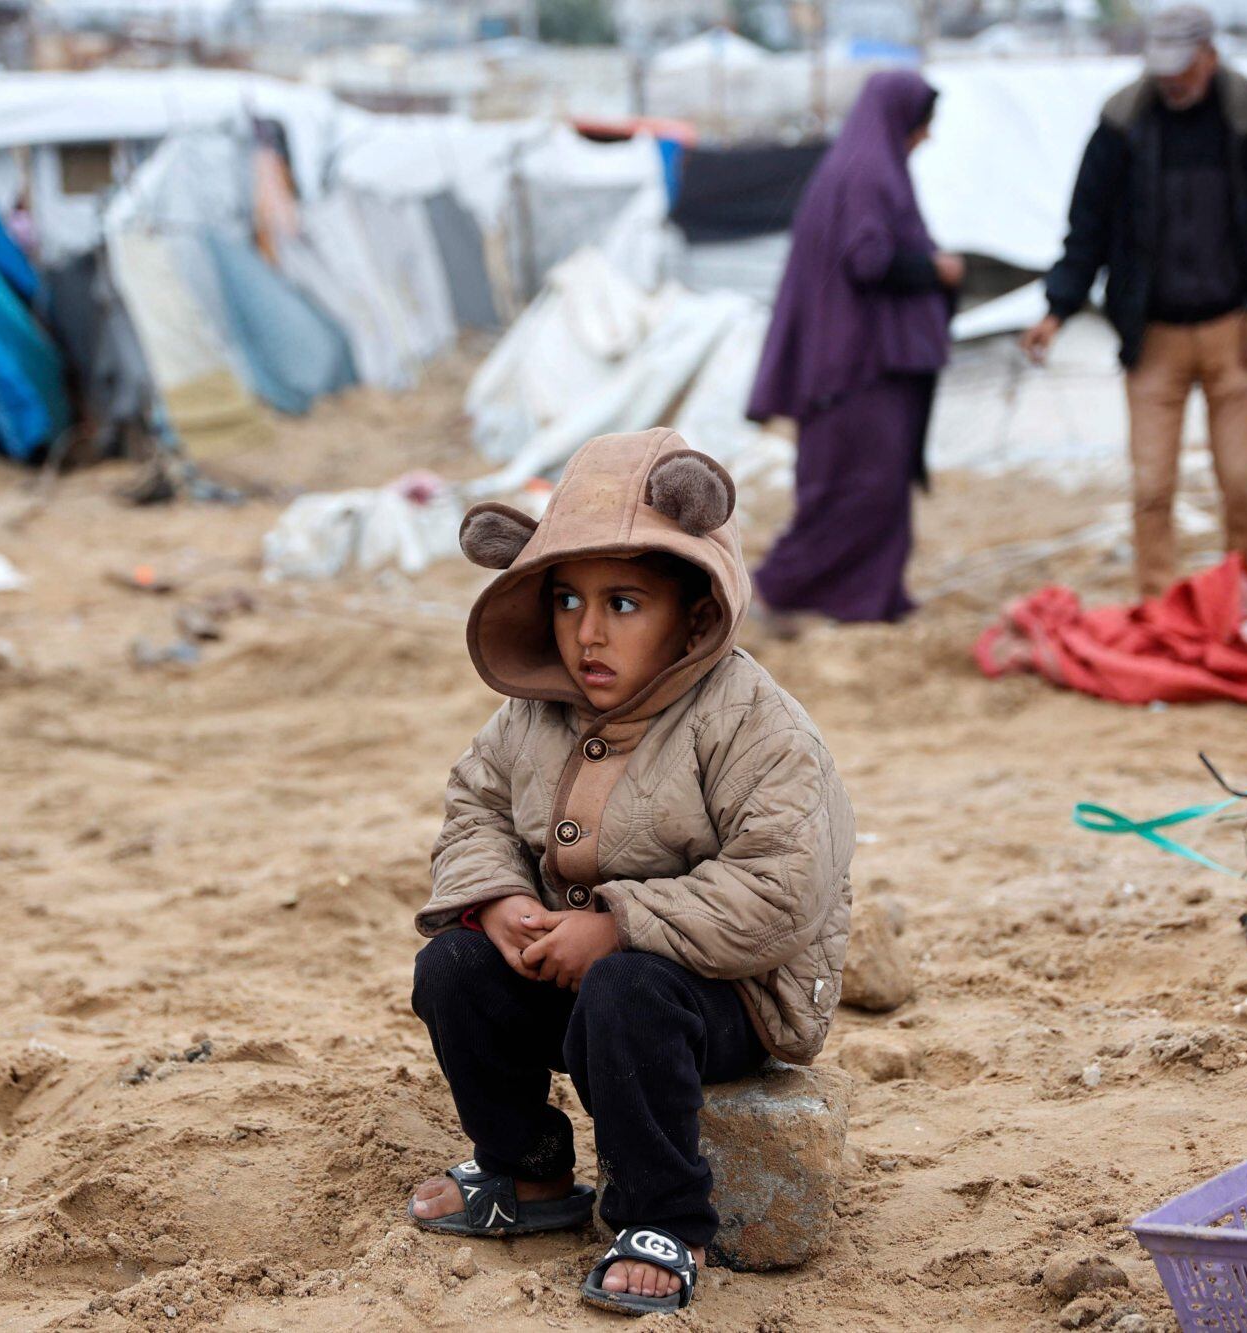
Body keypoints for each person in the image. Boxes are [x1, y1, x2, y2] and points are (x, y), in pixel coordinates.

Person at [407, 428, 855, 1317]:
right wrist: (497, 899)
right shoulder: (534, 712)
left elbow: (781, 885)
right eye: (567, 600)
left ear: (693, 613)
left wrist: (616, 924)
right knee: (452, 968)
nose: (587, 631)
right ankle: (528, 1174)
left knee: (628, 990)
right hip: (579, 968)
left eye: (623, 603)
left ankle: (665, 1216)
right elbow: (476, 806)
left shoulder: (754, 724)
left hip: (725, 994)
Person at [1020, 4, 1247, 598]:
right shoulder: (1122, 124)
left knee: (1239, 481)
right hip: (1151, 335)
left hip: (1234, 332)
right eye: (1161, 69)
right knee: (1152, 486)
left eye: (1182, 68)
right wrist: (1058, 308)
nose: (1171, 80)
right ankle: (1158, 602)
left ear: (1209, 56)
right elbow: (1088, 228)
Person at [746, 70, 962, 626]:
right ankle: (774, 593)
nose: (926, 137)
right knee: (855, 491)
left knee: (878, 488)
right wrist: (935, 269)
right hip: (859, 366)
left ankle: (866, 598)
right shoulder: (869, 173)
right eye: (923, 124)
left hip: (863, 362)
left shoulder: (859, 166)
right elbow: (869, 261)